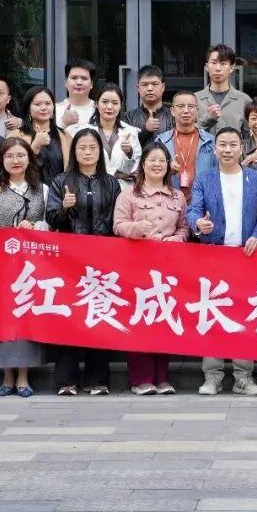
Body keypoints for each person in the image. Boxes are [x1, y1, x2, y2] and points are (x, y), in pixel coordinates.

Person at [187, 127, 257, 396]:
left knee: (243, 315)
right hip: (214, 256)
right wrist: (199, 224)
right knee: (213, 314)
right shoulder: (205, 178)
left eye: (233, 144)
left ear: (241, 148)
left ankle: (243, 377)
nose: (227, 149)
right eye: (222, 144)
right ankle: (212, 376)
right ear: (215, 149)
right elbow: (193, 211)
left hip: (246, 257)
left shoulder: (255, 179)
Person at [45, 128, 123, 395]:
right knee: (69, 317)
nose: (87, 152)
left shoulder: (111, 183)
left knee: (98, 314)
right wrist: (64, 208)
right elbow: (51, 219)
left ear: (100, 152)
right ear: (74, 151)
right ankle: (66, 380)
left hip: (102, 259)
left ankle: (97, 379)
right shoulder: (61, 181)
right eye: (82, 148)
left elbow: (114, 220)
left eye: (93, 147)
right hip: (69, 261)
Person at [113, 142, 190, 395]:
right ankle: (141, 379)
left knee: (164, 319)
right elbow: (118, 225)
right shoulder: (128, 194)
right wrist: (137, 229)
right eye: (152, 160)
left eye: (161, 160)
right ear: (143, 164)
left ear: (168, 165)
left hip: (167, 267)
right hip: (137, 266)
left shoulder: (177, 196)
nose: (157, 164)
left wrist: (176, 239)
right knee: (140, 320)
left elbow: (184, 227)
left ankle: (163, 378)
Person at [0, 138, 48, 397]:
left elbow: (48, 223)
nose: (15, 161)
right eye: (9, 156)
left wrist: (36, 227)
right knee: (3, 317)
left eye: (20, 155)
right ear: (1, 160)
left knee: (26, 316)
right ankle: (6, 374)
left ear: (29, 158)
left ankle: (24, 376)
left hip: (31, 265)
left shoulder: (42, 189)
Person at [71, 82, 141, 188]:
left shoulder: (130, 132)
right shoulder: (84, 131)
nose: (109, 107)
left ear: (121, 105)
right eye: (104, 102)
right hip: (91, 187)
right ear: (96, 104)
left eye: (115, 103)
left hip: (123, 189)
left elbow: (134, 169)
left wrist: (129, 153)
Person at [157, 90, 216, 202]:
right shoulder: (161, 142)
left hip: (203, 203)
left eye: (191, 106)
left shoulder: (211, 142)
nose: (186, 110)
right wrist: (167, 170)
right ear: (172, 111)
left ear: (197, 110)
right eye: (181, 106)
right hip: (168, 203)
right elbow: (149, 176)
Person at [12, 86, 71, 185]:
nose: (43, 108)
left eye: (48, 103)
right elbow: (11, 168)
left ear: (53, 107)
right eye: (37, 104)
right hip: (28, 191)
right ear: (28, 109)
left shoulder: (65, 136)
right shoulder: (16, 136)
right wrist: (35, 146)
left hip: (59, 192)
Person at [196, 43, 252, 136]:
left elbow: (248, 137)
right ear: (207, 67)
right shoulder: (195, 100)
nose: (218, 68)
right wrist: (207, 119)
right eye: (214, 63)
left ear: (231, 68)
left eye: (223, 64)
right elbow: (187, 133)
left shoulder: (244, 100)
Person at [126, 65, 175, 147]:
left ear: (163, 87)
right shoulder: (128, 117)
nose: (150, 88)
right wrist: (145, 130)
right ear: (138, 88)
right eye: (145, 85)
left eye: (154, 84)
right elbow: (126, 148)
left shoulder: (173, 116)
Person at [56, 59, 96, 131]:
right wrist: (63, 123)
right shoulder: (54, 110)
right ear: (66, 82)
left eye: (84, 78)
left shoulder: (100, 110)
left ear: (91, 84)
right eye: (74, 78)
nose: (79, 82)